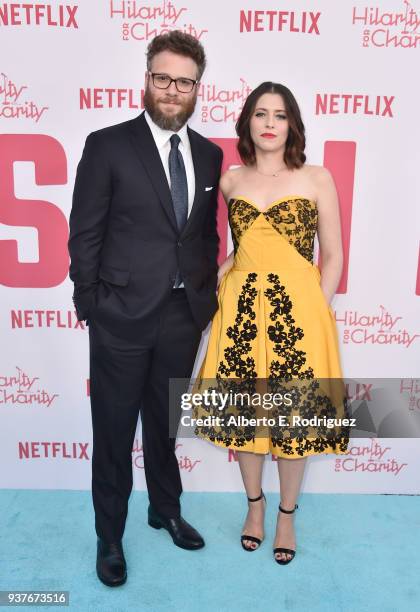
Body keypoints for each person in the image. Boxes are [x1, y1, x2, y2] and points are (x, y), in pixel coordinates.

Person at [68, 31, 223, 586]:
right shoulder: (107, 144)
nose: (172, 90)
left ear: (196, 88)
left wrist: (202, 300)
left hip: (183, 317)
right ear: (147, 80)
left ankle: (166, 509)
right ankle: (110, 536)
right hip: (120, 317)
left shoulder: (209, 153)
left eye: (184, 81)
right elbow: (83, 233)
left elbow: (204, 236)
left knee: (164, 426)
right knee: (113, 430)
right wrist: (92, 304)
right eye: (163, 78)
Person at [193, 81, 349, 565]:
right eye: (260, 114)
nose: (269, 124)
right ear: (248, 122)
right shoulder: (232, 180)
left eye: (279, 115)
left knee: (293, 418)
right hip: (242, 310)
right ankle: (254, 508)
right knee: (248, 418)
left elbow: (334, 254)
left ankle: (286, 514)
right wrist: (222, 272)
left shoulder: (317, 177)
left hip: (298, 313)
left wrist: (317, 309)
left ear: (292, 125)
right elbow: (246, 243)